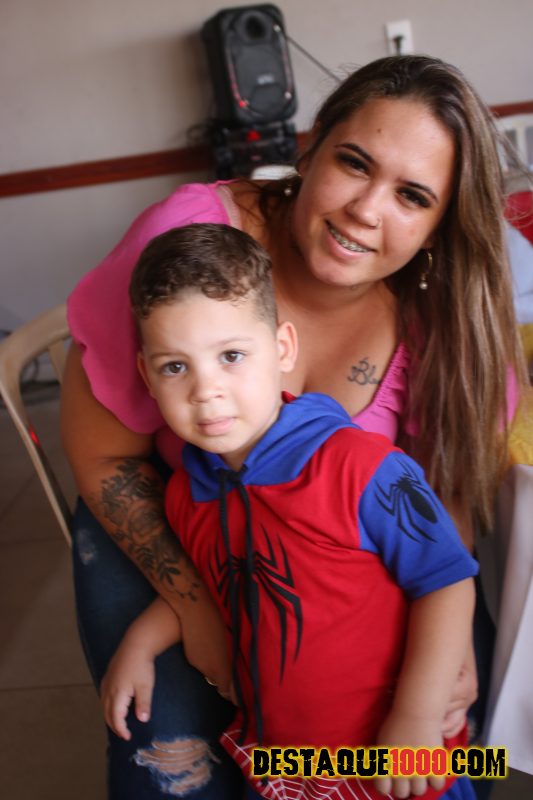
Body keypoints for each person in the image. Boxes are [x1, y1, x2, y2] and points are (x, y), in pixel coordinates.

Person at [60, 55, 526, 799]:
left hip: (358, 554)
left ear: (439, 227)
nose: (365, 210)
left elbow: (447, 502)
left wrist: (437, 674)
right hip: (182, 519)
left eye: (412, 196)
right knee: (171, 760)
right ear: (310, 150)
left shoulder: (442, 317)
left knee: (450, 738)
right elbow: (105, 452)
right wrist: (195, 612)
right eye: (353, 163)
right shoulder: (189, 242)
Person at [102, 221, 479, 800]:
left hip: (397, 762)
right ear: (146, 377)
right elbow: (213, 583)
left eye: (231, 356)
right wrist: (140, 642)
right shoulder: (187, 494)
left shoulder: (361, 466)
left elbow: (447, 583)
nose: (205, 390)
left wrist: (417, 719)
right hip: (286, 768)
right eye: (175, 366)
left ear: (282, 349)